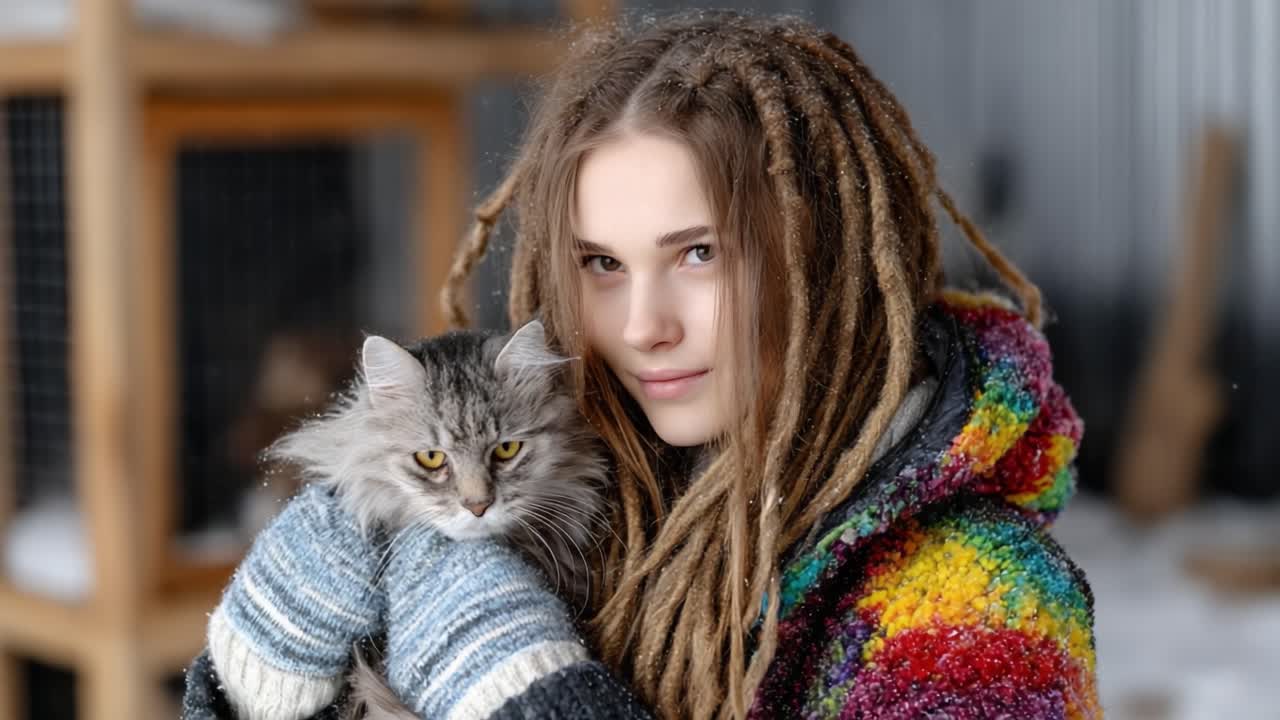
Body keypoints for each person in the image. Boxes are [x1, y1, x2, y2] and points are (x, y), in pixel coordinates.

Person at [183, 10, 1099, 720]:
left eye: (699, 253)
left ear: (824, 258)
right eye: (603, 265)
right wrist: (263, 656)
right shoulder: (594, 493)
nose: (645, 325)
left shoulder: (981, 599)